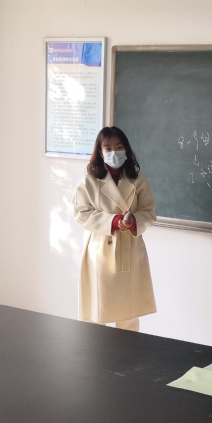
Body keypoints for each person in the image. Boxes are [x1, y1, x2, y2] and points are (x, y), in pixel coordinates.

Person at [72, 126, 156, 331]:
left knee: (129, 314)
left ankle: (129, 351)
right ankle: (95, 351)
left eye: (118, 147)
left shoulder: (138, 179)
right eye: (108, 148)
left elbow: (149, 212)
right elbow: (81, 213)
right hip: (100, 250)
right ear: (100, 152)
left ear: (126, 148)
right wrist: (113, 221)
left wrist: (134, 221)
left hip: (130, 248)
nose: (114, 152)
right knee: (98, 312)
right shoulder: (90, 180)